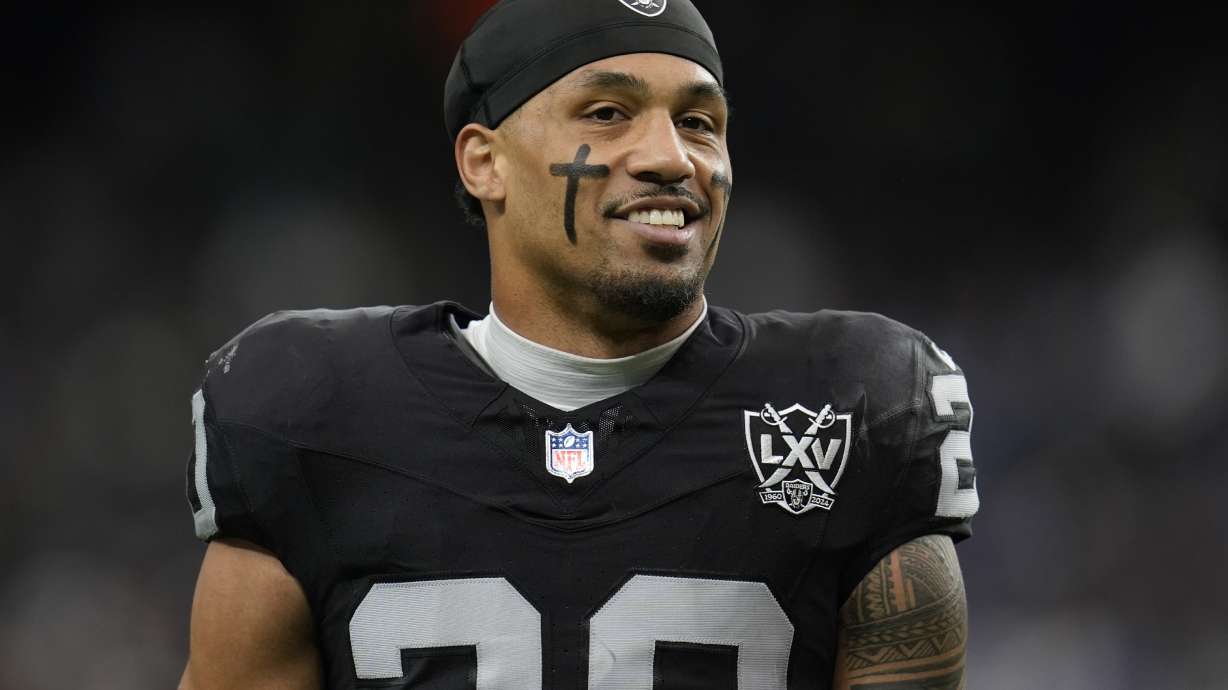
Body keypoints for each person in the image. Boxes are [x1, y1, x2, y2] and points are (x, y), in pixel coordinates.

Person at [179, 1, 980, 688]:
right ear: (484, 162)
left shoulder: (856, 400)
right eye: (608, 113)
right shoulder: (310, 413)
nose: (671, 158)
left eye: (699, 122)